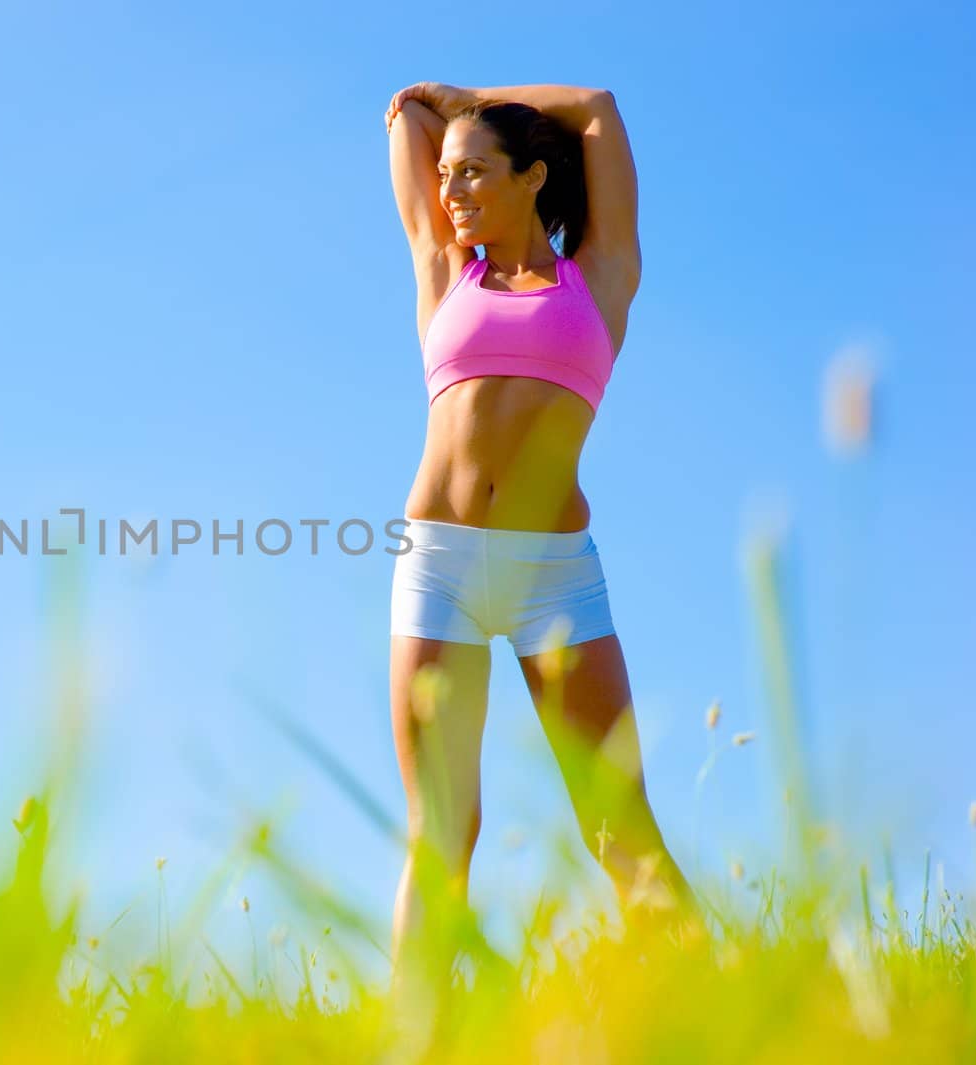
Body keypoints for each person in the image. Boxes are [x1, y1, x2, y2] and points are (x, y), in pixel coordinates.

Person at [381, 82, 701, 1001]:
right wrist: (440, 119)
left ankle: (714, 1006)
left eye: (476, 173)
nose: (453, 192)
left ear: (535, 178)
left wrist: (469, 98)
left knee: (618, 826)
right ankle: (414, 1035)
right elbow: (406, 117)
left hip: (554, 577)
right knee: (442, 829)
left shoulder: (599, 277)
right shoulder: (444, 271)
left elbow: (597, 108)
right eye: (447, 179)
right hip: (438, 562)